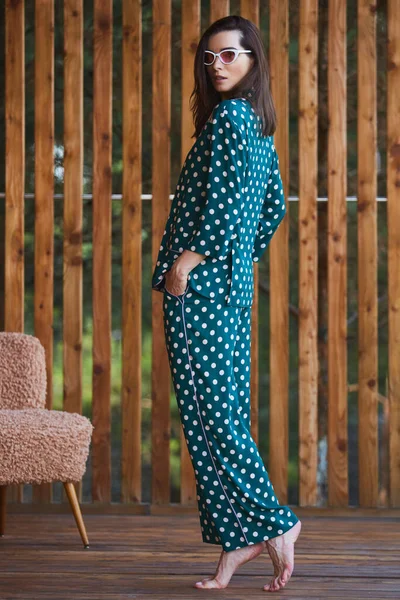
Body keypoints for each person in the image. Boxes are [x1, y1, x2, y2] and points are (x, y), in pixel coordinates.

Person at [151, 15, 301, 593]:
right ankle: (237, 541)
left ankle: (276, 524)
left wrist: (190, 263)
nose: (218, 64)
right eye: (210, 57)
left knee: (213, 421)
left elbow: (222, 210)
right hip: (229, 295)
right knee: (223, 418)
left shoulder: (231, 121)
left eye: (230, 55)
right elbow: (273, 210)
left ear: (253, 62)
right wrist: (240, 263)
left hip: (200, 295)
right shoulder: (257, 128)